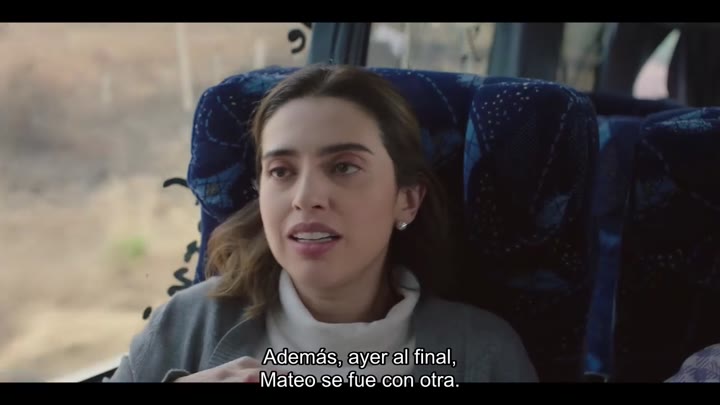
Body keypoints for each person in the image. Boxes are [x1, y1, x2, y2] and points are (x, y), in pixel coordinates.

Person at [106, 64, 538, 383]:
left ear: (407, 200)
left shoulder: (485, 354)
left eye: (344, 167)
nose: (306, 197)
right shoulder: (187, 326)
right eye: (281, 171)